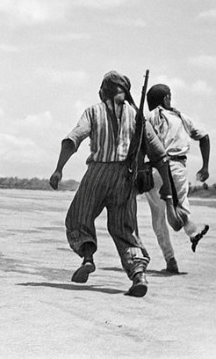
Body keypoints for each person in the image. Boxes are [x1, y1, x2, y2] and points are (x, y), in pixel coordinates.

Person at [49, 71, 175, 297]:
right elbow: (160, 155)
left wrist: (59, 169)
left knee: (79, 217)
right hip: (126, 178)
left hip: (98, 173)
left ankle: (88, 257)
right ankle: (138, 275)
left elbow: (72, 139)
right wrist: (166, 187)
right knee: (125, 228)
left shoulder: (93, 111)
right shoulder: (137, 117)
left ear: (101, 92)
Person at [143, 84, 209, 273]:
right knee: (178, 211)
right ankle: (192, 231)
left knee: (158, 218)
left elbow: (139, 146)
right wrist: (204, 166)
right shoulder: (179, 116)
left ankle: (170, 259)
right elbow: (204, 137)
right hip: (175, 167)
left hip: (153, 169)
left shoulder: (147, 118)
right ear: (165, 99)